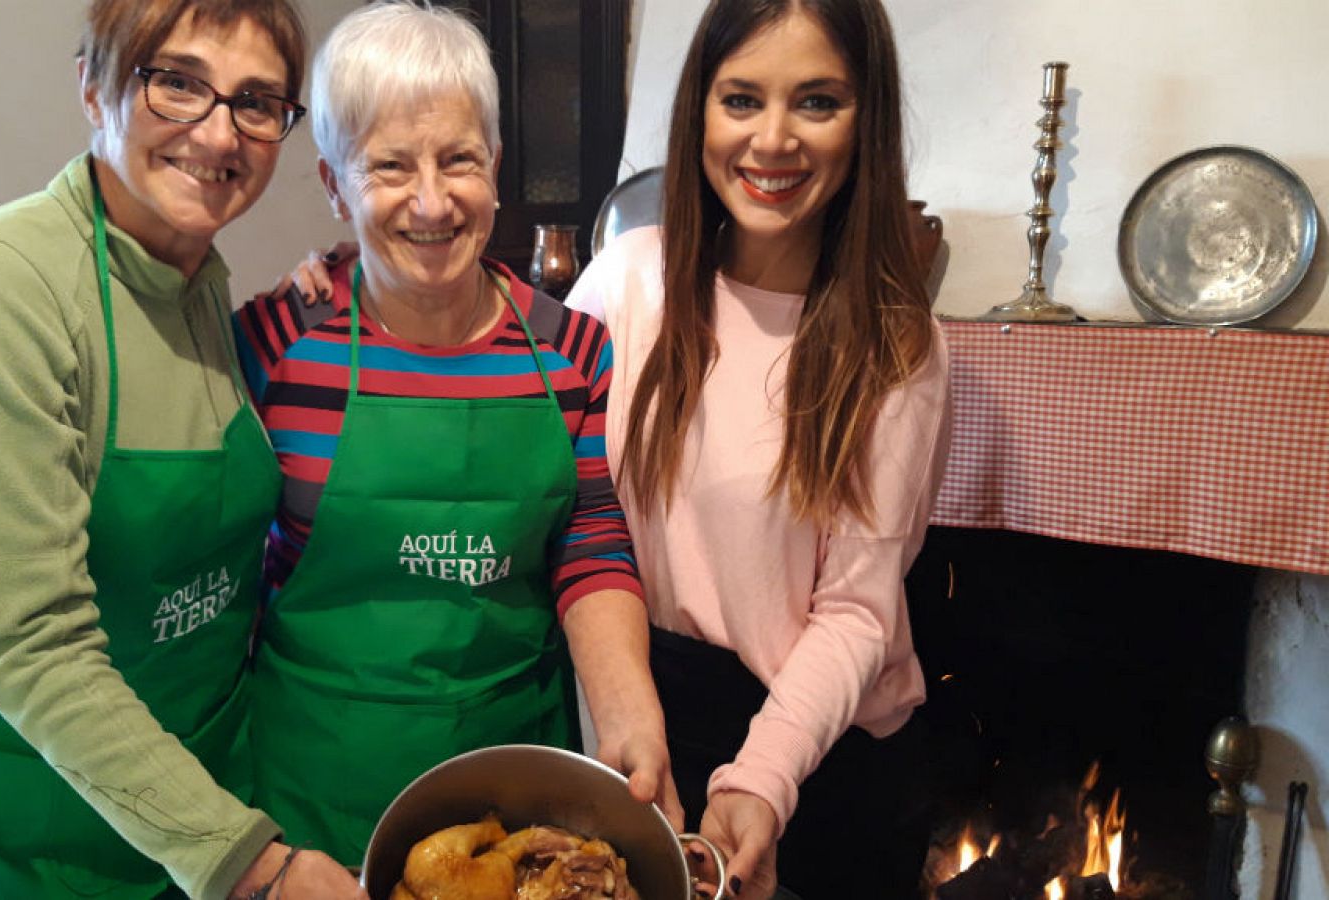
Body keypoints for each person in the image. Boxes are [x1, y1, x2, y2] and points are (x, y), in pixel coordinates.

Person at [0, 1, 366, 897]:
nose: (218, 132)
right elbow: (37, 648)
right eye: (178, 83)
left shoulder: (200, 283)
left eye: (256, 102)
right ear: (93, 87)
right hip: (27, 800)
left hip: (194, 780)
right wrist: (258, 868)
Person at [231, 0, 679, 867]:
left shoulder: (572, 349)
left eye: (458, 160)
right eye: (388, 166)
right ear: (333, 184)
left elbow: (587, 536)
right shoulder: (276, 343)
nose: (431, 201)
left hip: (513, 792)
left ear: (498, 167)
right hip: (310, 795)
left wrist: (628, 711)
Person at [561, 1, 953, 897]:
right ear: (699, 110)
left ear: (868, 122)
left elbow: (858, 612)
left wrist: (762, 779)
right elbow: (500, 399)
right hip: (648, 718)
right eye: (741, 99)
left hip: (819, 751)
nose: (772, 141)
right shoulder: (627, 280)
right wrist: (351, 280)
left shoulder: (898, 343)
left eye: (817, 102)